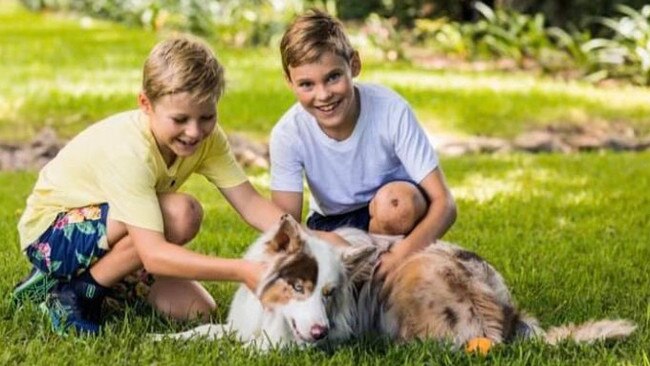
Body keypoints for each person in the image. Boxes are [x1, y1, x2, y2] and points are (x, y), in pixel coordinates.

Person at [11, 36, 284, 335]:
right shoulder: (131, 151)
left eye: (206, 116)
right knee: (181, 213)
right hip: (51, 235)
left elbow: (250, 204)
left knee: (199, 311)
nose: (194, 132)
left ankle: (96, 281)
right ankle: (76, 293)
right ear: (146, 103)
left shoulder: (209, 139)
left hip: (111, 230)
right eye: (180, 119)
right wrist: (243, 270)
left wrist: (308, 238)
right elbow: (154, 254)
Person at [270, 9, 457, 278]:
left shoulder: (391, 110)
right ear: (290, 82)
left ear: (354, 65)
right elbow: (284, 226)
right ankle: (370, 277)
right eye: (307, 84)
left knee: (397, 205)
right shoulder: (288, 133)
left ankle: (386, 271)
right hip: (334, 223)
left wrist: (399, 256)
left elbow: (444, 204)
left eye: (333, 77)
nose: (323, 95)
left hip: (399, 217)